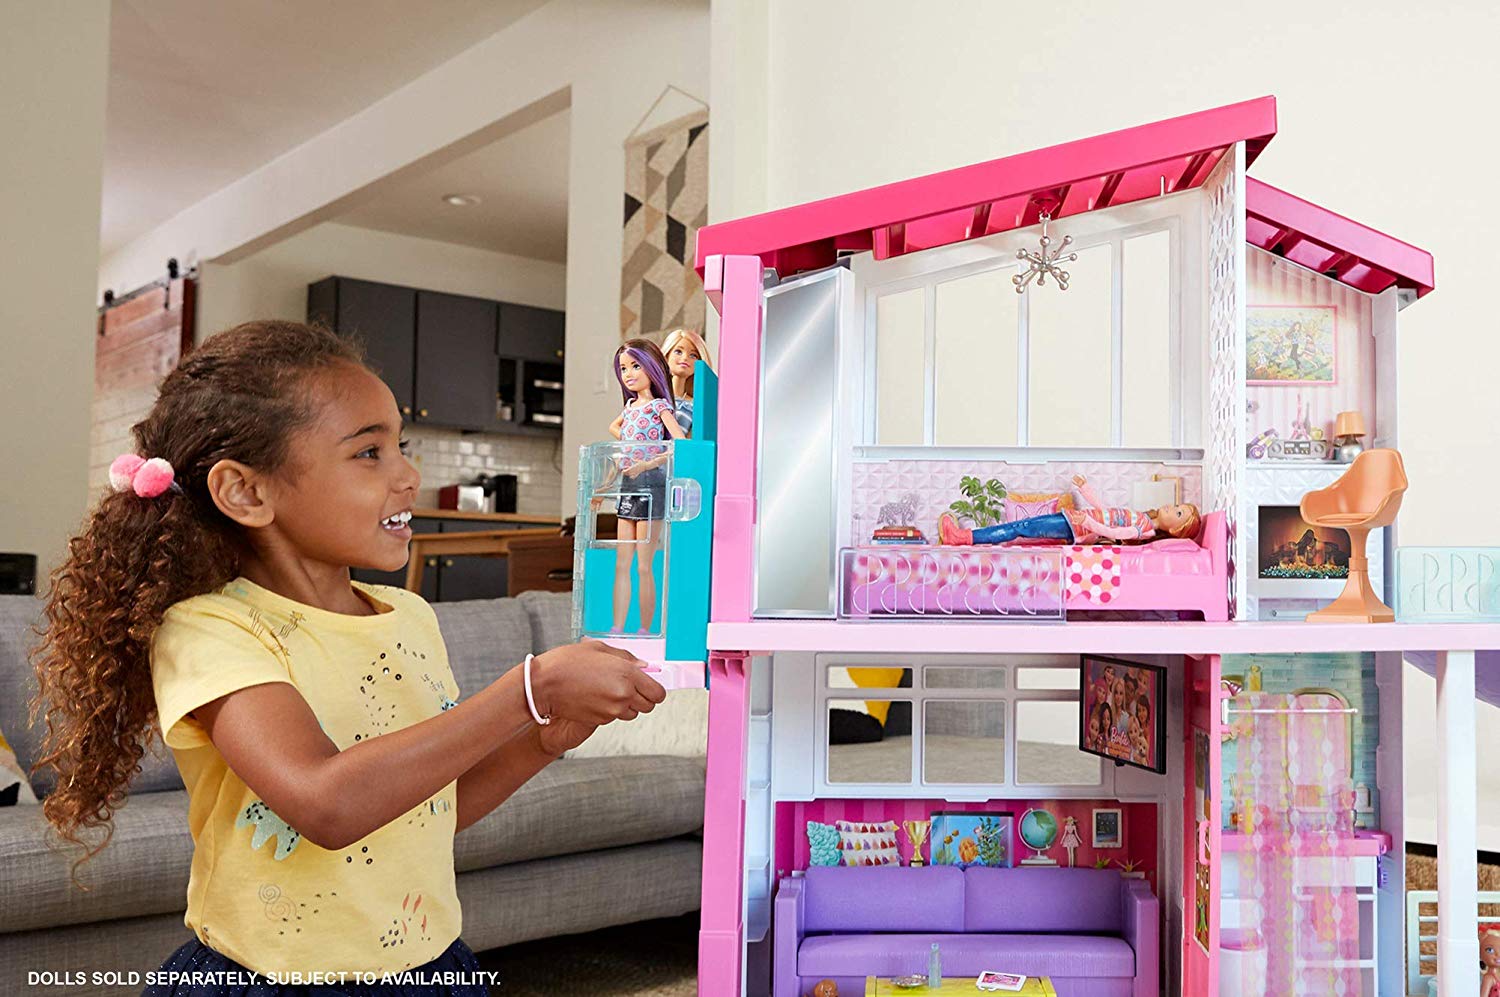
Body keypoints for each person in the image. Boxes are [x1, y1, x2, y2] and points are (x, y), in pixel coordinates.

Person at [27, 321, 666, 997]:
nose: (408, 475)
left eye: (401, 447)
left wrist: (541, 738)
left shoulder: (410, 616)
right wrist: (524, 692)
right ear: (246, 492)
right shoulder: (210, 630)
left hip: (433, 967)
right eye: (369, 452)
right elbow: (325, 804)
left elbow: (430, 808)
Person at [604, 339, 686, 633]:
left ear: (651, 367)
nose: (628, 374)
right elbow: (615, 430)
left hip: (652, 485)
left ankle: (645, 628)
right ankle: (617, 626)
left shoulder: (659, 407)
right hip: (628, 484)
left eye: (635, 366)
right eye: (624, 368)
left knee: (643, 565)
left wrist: (647, 460)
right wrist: (630, 447)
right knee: (622, 562)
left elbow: (679, 445)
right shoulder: (629, 408)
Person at [938, 474, 1202, 546]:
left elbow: (1111, 532)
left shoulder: (1143, 530)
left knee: (1021, 527)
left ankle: (963, 537)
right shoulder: (1143, 516)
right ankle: (965, 537)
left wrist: (1085, 522)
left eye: (1179, 513)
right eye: (1178, 506)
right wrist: (1086, 490)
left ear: (1176, 530)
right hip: (1074, 520)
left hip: (1075, 526)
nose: (1173, 507)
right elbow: (1106, 512)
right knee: (1024, 527)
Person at [660, 327, 714, 439]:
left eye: (693, 355)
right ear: (666, 356)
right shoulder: (655, 398)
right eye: (678, 352)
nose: (685, 358)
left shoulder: (694, 406)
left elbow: (691, 439)